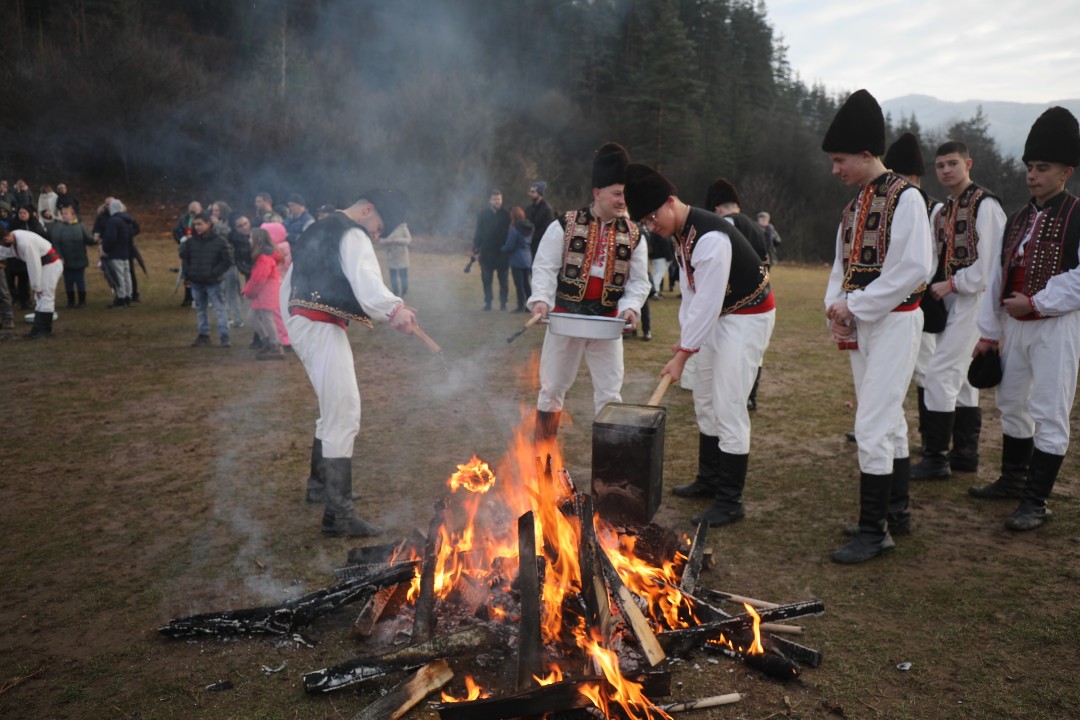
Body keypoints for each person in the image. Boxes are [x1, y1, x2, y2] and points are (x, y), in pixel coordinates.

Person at [625, 164, 775, 528]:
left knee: (728, 403)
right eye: (643, 221)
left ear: (671, 202)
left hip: (746, 317)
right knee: (704, 398)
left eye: (652, 216)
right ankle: (708, 480)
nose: (650, 226)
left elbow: (707, 301)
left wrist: (683, 355)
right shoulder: (681, 235)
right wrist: (685, 342)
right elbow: (692, 296)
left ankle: (730, 499)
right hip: (719, 318)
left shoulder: (709, 238)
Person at [822, 90, 934, 564]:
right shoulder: (855, 207)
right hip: (866, 323)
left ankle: (875, 532)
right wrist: (835, 306)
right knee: (886, 421)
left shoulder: (905, 198)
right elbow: (839, 266)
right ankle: (895, 512)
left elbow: (914, 267)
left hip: (895, 323)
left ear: (868, 155)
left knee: (871, 421)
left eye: (840, 159)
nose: (835, 169)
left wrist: (858, 305)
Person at [282, 189, 417, 537]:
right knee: (344, 409)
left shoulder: (317, 227)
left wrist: (296, 326)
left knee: (333, 407)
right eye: (378, 227)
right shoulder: (351, 231)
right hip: (318, 325)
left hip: (304, 322)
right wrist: (395, 308)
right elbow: (367, 282)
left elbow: (287, 286)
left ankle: (320, 485)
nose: (376, 235)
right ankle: (338, 515)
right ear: (367, 210)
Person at [969, 107, 1080, 531]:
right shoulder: (1016, 218)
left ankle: (1036, 501)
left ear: (1066, 171)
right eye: (1030, 167)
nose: (1033, 175)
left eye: (1043, 168)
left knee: (1049, 408)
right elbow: (996, 276)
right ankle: (1013, 480)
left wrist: (1037, 303)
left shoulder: (1077, 215)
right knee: (1012, 401)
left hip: (1057, 325)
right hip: (1013, 324)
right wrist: (988, 332)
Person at [528, 142, 651, 438]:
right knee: (552, 387)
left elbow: (639, 281)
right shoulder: (564, 226)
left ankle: (611, 470)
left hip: (608, 323)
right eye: (617, 193)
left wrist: (631, 307)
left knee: (610, 393)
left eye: (626, 194)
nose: (623, 200)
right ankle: (542, 462)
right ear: (597, 193)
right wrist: (541, 300)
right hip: (565, 319)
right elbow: (544, 267)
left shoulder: (634, 235)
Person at [909, 141, 1006, 480]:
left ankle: (936, 459)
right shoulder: (944, 209)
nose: (946, 170)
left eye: (952, 163)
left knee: (939, 371)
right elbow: (934, 256)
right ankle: (965, 454)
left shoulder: (985, 205)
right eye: (940, 165)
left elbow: (992, 263)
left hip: (976, 300)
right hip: (952, 299)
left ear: (968, 163)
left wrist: (952, 284)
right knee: (962, 379)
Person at [706, 177, 770, 410]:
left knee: (734, 354)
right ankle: (751, 395)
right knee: (755, 354)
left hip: (739, 302)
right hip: (762, 295)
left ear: (717, 208)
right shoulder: (755, 225)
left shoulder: (725, 225)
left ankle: (740, 395)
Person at [182, 211, 234, 347]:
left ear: (208, 224)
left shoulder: (220, 241)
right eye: (195, 225)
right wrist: (189, 273)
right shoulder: (191, 242)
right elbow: (185, 258)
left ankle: (224, 336)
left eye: (200, 224)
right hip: (197, 281)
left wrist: (214, 273)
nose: (197, 227)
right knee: (200, 309)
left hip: (213, 282)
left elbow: (227, 260)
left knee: (219, 308)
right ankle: (203, 334)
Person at [0, 226, 63, 337]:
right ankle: (37, 329)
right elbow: (3, 252)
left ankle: (45, 330)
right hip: (43, 265)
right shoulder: (12, 239)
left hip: (50, 264)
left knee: (45, 295)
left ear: (6, 238)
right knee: (39, 299)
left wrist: (36, 287)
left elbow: (34, 265)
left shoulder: (25, 243)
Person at [242, 227, 284, 360]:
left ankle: (274, 344)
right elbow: (257, 278)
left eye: (250, 237)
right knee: (253, 317)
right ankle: (267, 341)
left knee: (266, 318)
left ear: (258, 240)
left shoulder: (264, 257)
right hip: (264, 292)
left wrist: (249, 291)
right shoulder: (265, 256)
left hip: (265, 293)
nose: (249, 240)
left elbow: (259, 278)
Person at [472, 189, 511, 311]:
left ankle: (503, 304)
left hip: (502, 253)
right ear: (490, 200)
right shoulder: (483, 214)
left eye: (499, 199)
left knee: (503, 281)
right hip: (487, 252)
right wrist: (476, 248)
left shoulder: (506, 214)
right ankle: (488, 302)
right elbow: (478, 232)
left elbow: (511, 233)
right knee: (486, 279)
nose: (497, 202)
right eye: (495, 199)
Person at [50, 205, 95, 308]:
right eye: (62, 214)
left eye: (66, 213)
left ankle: (82, 301)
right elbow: (55, 243)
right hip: (66, 259)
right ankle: (70, 301)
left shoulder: (80, 225)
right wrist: (60, 257)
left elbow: (87, 239)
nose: (64, 216)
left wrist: (94, 241)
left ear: (72, 214)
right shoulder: (58, 227)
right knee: (68, 281)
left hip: (80, 258)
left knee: (80, 280)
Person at [101, 200, 138, 308]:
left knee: (119, 276)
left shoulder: (113, 221)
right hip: (126, 251)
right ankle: (128, 296)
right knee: (127, 275)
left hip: (116, 252)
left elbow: (110, 237)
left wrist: (105, 248)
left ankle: (120, 298)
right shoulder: (128, 220)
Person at [501, 207, 533, 313]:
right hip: (527, 258)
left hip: (517, 259)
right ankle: (530, 305)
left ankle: (520, 306)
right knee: (526, 284)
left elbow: (510, 246)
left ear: (513, 217)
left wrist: (502, 249)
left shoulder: (514, 229)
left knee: (518, 284)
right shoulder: (530, 228)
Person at [379, 222, 412, 297]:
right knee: (393, 276)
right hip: (391, 256)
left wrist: (398, 240)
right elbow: (381, 240)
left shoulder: (403, 228)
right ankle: (395, 292)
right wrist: (388, 241)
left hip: (402, 256)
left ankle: (404, 292)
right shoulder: (387, 228)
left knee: (403, 276)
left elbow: (408, 240)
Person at [525, 180, 555, 259]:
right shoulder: (529, 209)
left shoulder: (547, 210)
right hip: (529, 246)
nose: (530, 194)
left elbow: (546, 229)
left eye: (533, 192)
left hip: (541, 247)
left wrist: (532, 236)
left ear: (539, 193)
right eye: (530, 191)